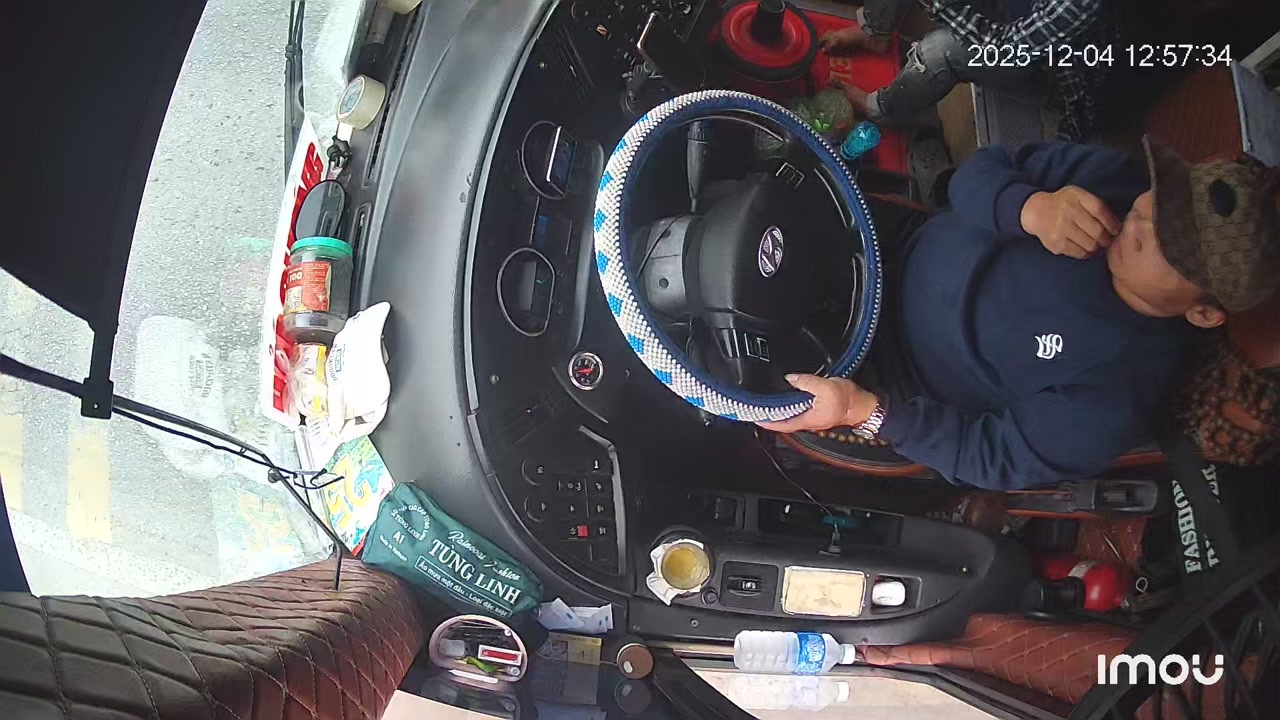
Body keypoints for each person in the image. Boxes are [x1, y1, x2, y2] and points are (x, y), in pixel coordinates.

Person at [760, 138, 1280, 490]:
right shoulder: (1112, 182)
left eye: (1172, 245)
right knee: (759, 197)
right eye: (1162, 199)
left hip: (884, 372)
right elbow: (975, 173)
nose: (1142, 221)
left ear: (1203, 313)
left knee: (746, 352)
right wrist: (1027, 207)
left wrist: (864, 411)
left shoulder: (1115, 395)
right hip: (891, 244)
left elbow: (991, 457)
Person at [820, 0, 1116, 140]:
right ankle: (875, 32)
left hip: (1046, 70)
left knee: (941, 50)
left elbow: (1003, 50)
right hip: (1013, 14)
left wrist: (941, 5)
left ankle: (878, 108)